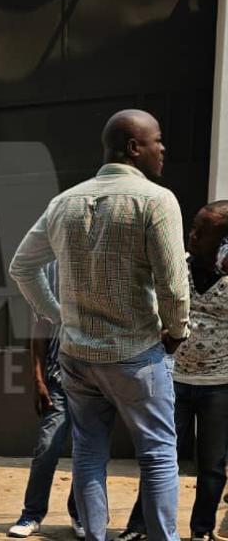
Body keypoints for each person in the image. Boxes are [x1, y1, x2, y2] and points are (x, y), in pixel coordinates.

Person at [9, 109, 190, 541]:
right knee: (159, 455)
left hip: (77, 357)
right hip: (136, 355)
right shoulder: (156, 200)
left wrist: (58, 316)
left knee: (89, 452)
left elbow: (22, 267)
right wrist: (177, 331)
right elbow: (173, 284)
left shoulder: (63, 202)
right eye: (157, 140)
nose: (163, 149)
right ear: (133, 147)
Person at [116, 202, 228, 541]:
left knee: (211, 466)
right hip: (172, 377)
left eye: (202, 230)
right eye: (193, 226)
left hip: (219, 384)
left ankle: (202, 530)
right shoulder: (177, 265)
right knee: (160, 458)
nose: (191, 234)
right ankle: (140, 526)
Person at [8, 261, 83, 539]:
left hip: (95, 384)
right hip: (59, 381)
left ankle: (81, 514)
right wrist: (38, 380)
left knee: (89, 453)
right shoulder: (49, 272)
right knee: (46, 448)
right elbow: (39, 331)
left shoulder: (102, 266)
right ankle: (31, 514)